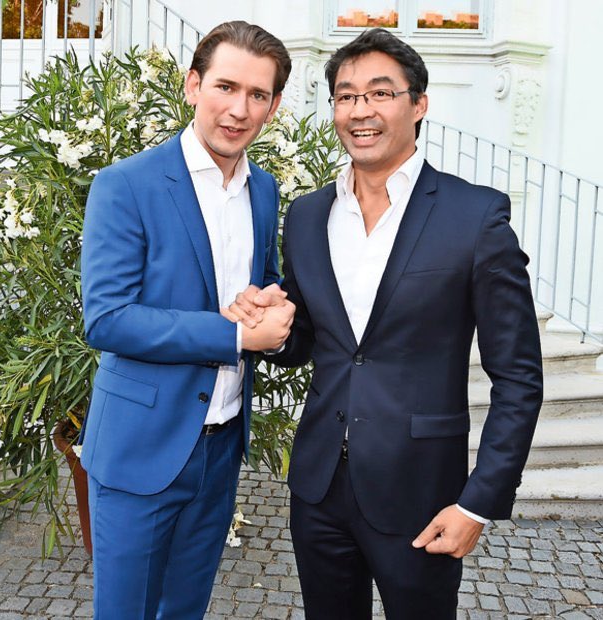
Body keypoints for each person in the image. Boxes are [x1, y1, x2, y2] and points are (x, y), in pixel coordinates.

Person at [225, 28, 543, 619]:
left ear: (418, 105)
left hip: (422, 494)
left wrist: (477, 503)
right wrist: (270, 325)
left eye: (379, 93)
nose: (360, 110)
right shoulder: (308, 214)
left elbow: (519, 379)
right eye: (346, 96)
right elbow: (309, 341)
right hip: (318, 489)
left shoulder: (475, 216)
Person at [80, 21, 294, 619]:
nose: (239, 109)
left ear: (274, 107)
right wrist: (235, 335)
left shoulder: (263, 190)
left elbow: (266, 278)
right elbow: (107, 318)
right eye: (226, 87)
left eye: (257, 94)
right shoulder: (125, 184)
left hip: (221, 449)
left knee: (186, 611)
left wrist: (272, 303)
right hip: (139, 448)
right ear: (193, 85)